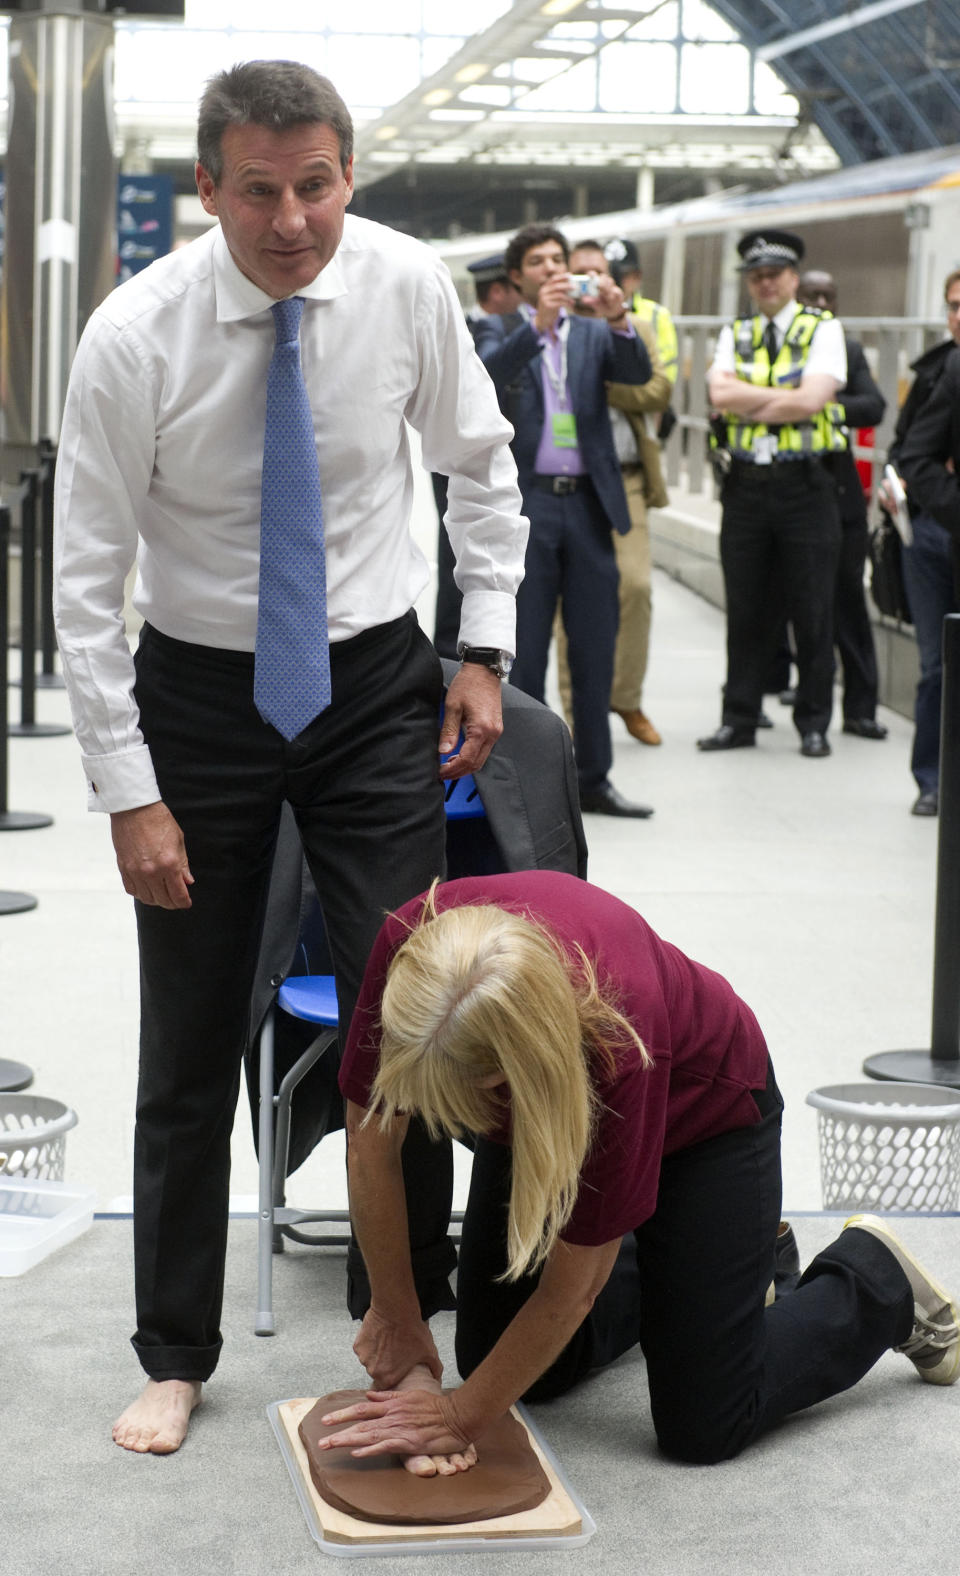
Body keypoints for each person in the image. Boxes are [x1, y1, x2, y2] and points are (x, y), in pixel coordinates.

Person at [53, 61, 528, 1456]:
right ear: (206, 189)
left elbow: (480, 465)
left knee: (416, 1014)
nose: (290, 220)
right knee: (192, 1029)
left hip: (376, 682)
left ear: (347, 178)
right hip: (199, 695)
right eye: (257, 190)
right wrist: (129, 793)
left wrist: (484, 647)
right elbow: (88, 586)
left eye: (315, 184)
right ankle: (175, 1350)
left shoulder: (402, 288)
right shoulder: (134, 336)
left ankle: (407, 1322)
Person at [314, 870, 959, 1475]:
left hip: (706, 1120)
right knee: (506, 1364)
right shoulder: (411, 954)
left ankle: (875, 1282)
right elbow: (371, 1148)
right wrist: (396, 1315)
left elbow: (575, 1288)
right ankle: (734, 1265)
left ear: (515, 1069)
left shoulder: (621, 1040)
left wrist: (458, 1416)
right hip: (544, 1103)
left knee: (703, 1424)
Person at [473, 224, 654, 818]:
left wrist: (621, 318)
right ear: (517, 276)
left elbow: (636, 373)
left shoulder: (597, 334)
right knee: (522, 650)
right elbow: (486, 379)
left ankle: (595, 778)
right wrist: (537, 328)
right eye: (539, 261)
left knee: (595, 644)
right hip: (527, 505)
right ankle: (527, 783)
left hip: (587, 504)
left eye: (560, 259)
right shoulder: (499, 328)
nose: (553, 269)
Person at [698, 229, 848, 759]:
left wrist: (750, 400)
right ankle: (738, 717)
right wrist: (783, 397)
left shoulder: (824, 328)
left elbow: (814, 401)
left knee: (812, 606)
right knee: (744, 608)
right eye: (756, 275)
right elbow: (719, 394)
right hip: (745, 487)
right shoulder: (732, 331)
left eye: (775, 274)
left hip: (805, 485)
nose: (765, 283)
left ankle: (813, 722)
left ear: (794, 279)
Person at [552, 241, 672, 750]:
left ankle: (625, 698)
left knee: (637, 588)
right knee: (569, 603)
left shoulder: (633, 328)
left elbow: (657, 390)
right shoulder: (549, 328)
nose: (588, 283)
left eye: (597, 274)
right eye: (579, 274)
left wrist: (597, 384)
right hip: (568, 479)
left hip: (624, 478)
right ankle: (578, 714)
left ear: (614, 280)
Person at [796, 269, 888, 738]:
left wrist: (817, 404)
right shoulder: (777, 348)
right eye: (810, 295)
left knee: (849, 598)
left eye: (828, 297)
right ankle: (795, 692)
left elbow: (873, 407)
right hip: (787, 491)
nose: (820, 304)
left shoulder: (846, 350)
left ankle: (860, 708)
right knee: (795, 602)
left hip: (838, 489)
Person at [886, 271, 960, 816]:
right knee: (938, 663)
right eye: (955, 306)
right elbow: (910, 452)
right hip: (935, 532)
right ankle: (931, 779)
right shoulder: (943, 368)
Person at [433, 254, 523, 659]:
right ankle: (450, 657)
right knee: (459, 556)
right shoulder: (471, 332)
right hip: (459, 461)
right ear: (500, 291)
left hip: (501, 469)